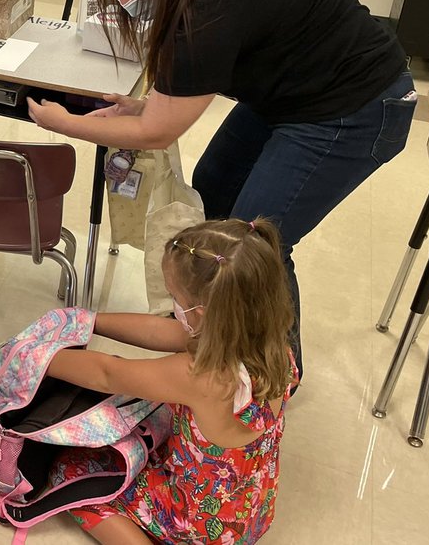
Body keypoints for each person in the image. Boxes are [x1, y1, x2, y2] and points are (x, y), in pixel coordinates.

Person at [28, 0, 414, 373]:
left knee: (256, 241)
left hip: (354, 107)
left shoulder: (209, 4)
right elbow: (171, 106)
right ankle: (212, 333)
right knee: (210, 208)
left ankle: (271, 375)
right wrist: (151, 106)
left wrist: (65, 123)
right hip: (287, 94)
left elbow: (156, 133)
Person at [47, 218, 298, 545]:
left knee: (72, 476)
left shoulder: (199, 375)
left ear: (203, 312)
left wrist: (39, 357)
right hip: (248, 509)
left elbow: (107, 374)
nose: (174, 308)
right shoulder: (271, 345)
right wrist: (92, 321)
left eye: (175, 298)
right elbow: (164, 332)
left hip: (199, 521)